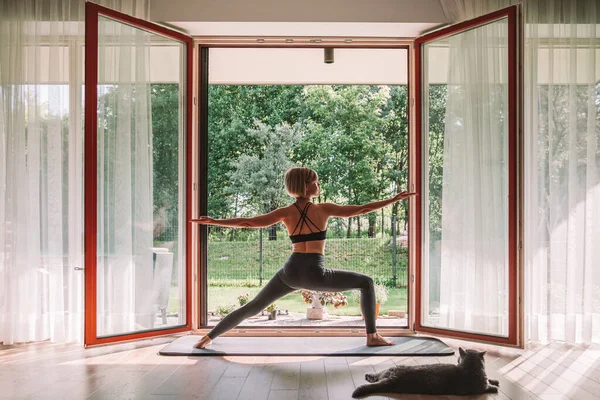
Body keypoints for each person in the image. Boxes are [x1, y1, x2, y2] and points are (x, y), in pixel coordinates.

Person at [191, 167, 416, 349]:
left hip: (290, 272)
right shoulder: (324, 209)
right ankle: (372, 336)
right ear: (305, 186)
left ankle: (208, 338)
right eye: (315, 181)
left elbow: (248, 223)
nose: (318, 185)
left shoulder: (285, 212)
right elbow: (362, 210)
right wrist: (393, 199)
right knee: (366, 282)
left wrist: (214, 221)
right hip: (314, 272)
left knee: (253, 307)